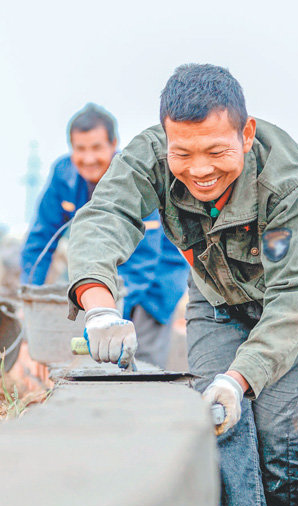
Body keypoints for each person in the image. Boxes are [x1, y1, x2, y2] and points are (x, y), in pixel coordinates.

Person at [67, 65, 298, 506]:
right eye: (182, 154)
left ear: (246, 134)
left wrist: (240, 377)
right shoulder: (150, 155)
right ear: (165, 137)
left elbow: (292, 302)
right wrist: (97, 304)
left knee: (276, 432)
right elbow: (106, 217)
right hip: (216, 292)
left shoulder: (291, 187)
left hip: (293, 293)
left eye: (216, 152)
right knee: (221, 421)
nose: (199, 171)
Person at [20, 103, 189, 367]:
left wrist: (105, 310)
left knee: (141, 365)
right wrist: (31, 295)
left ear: (114, 144)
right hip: (107, 278)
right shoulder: (62, 177)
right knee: (95, 355)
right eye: (80, 149)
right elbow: (39, 240)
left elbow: (145, 258)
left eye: (97, 148)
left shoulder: (135, 177)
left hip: (155, 281)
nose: (88, 159)